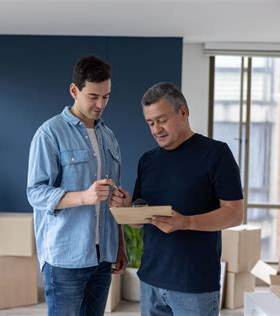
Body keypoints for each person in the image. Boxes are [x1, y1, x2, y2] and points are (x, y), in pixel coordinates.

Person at [111, 82, 243, 316]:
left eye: (162, 120)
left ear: (183, 112)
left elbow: (234, 214)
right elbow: (140, 221)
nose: (156, 129)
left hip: (194, 284)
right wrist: (127, 208)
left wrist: (186, 222)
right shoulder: (148, 161)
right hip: (151, 279)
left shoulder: (216, 154)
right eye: (150, 123)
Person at [27, 55, 127, 316]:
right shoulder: (49, 133)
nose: (100, 104)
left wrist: (119, 246)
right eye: (93, 96)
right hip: (65, 258)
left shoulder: (109, 136)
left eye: (106, 96)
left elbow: (111, 200)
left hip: (103, 256)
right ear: (74, 90)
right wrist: (84, 196)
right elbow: (35, 192)